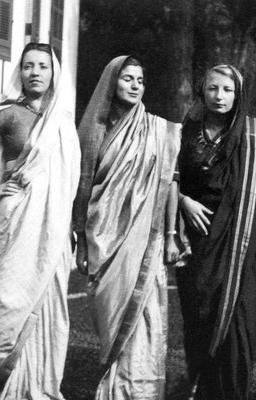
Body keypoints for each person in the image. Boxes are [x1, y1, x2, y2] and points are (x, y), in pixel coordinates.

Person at [0, 43, 80, 400]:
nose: (35, 72)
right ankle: (10, 384)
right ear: (19, 72)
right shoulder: (9, 114)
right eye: (28, 66)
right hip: (19, 212)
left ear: (54, 73)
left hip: (53, 222)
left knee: (50, 302)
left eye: (43, 66)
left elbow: (69, 180)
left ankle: (42, 384)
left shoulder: (63, 121)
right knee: (10, 296)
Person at [73, 55, 181, 399]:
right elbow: (82, 188)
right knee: (111, 323)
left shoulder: (157, 130)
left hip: (143, 242)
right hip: (102, 239)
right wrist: (80, 242)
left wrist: (171, 235)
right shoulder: (92, 132)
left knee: (145, 318)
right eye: (127, 79)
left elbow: (169, 182)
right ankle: (113, 386)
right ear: (111, 82)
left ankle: (140, 392)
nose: (135, 85)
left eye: (140, 80)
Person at [174, 64, 256, 400]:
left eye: (227, 90)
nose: (219, 96)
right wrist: (183, 201)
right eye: (213, 88)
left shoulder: (252, 138)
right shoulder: (186, 132)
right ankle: (198, 387)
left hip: (236, 246)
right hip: (197, 243)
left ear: (238, 95)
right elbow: (169, 177)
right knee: (198, 318)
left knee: (237, 322)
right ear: (203, 91)